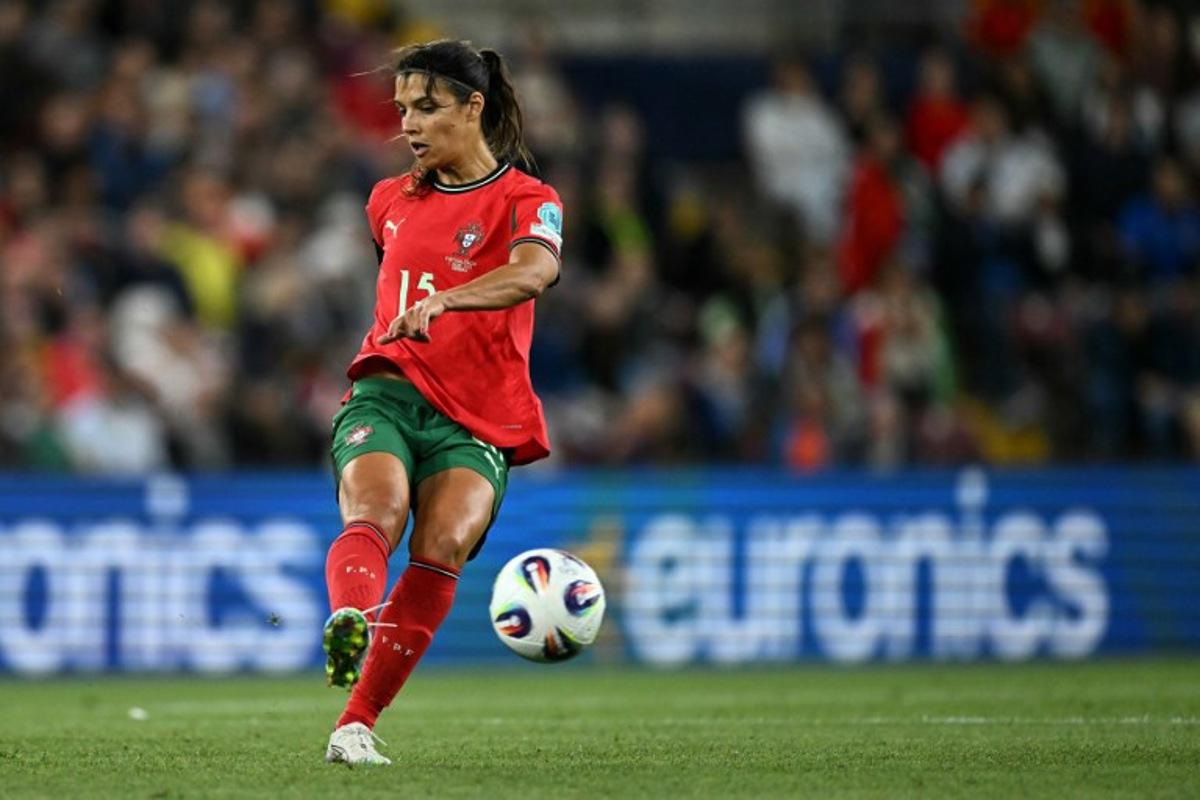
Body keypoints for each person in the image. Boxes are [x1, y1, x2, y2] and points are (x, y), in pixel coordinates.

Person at [320, 39, 563, 766]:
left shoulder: (529, 200)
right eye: (401, 112)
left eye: (426, 108)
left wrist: (449, 301)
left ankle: (354, 723)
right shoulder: (387, 201)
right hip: (386, 395)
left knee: (445, 545)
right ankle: (354, 615)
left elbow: (534, 272)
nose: (410, 126)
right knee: (377, 509)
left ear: (473, 106)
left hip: (476, 417)